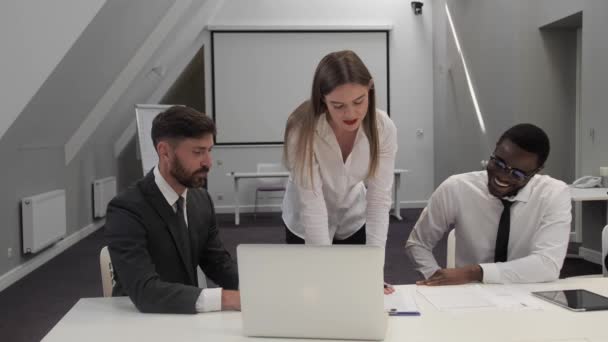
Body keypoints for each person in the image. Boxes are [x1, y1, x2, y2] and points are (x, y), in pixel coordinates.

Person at [105, 105, 240, 313]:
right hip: (139, 325)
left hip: (187, 318)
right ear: (165, 152)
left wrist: (256, 287)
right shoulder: (126, 209)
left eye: (209, 150)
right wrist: (226, 298)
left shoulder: (201, 199)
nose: (208, 162)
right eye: (198, 152)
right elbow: (145, 291)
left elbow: (217, 263)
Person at [406, 123, 571, 285]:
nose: (503, 176)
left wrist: (475, 272)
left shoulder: (553, 194)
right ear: (495, 148)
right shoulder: (457, 187)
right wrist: (435, 277)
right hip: (469, 293)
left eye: (518, 173)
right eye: (499, 163)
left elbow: (548, 264)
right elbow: (418, 243)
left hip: (528, 291)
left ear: (537, 171)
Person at [282, 50, 397, 250]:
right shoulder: (301, 129)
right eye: (338, 105)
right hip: (304, 223)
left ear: (369, 88)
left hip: (352, 218)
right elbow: (312, 205)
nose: (350, 113)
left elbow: (379, 200)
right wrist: (324, 269)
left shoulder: (383, 128)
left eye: (359, 101)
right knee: (313, 280)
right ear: (323, 100)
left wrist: (374, 268)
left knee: (358, 278)